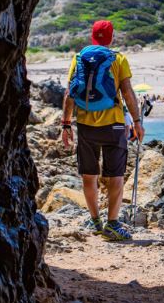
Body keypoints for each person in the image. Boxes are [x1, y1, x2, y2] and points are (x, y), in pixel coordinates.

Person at [61, 20, 144, 241]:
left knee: (89, 175)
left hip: (86, 124)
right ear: (111, 37)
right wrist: (137, 121)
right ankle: (113, 225)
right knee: (115, 175)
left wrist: (66, 124)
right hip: (114, 125)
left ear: (92, 36)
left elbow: (70, 93)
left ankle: (95, 220)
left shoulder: (79, 58)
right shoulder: (118, 58)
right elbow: (127, 92)